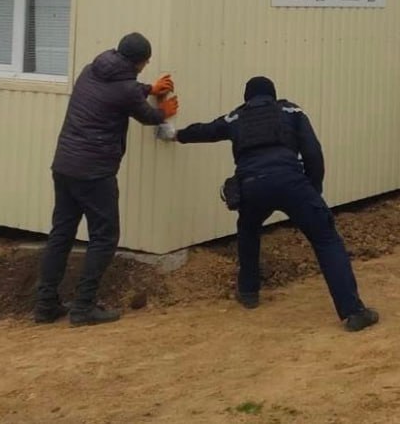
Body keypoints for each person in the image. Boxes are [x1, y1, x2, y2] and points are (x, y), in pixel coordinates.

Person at [158, 76, 379, 332]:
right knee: (326, 240)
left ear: (246, 98)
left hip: (252, 185)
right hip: (292, 183)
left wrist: (174, 135)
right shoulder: (291, 111)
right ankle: (353, 312)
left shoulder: (236, 117)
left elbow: (207, 131)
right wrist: (313, 191)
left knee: (248, 230)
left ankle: (249, 291)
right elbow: (313, 152)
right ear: (273, 95)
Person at [33, 32, 178, 326]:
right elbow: (146, 114)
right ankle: (83, 307)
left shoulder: (91, 70)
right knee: (104, 236)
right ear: (139, 62)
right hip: (94, 172)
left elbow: (122, 89)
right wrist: (164, 110)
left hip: (64, 165)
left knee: (61, 234)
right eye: (145, 63)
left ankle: (45, 304)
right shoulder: (125, 89)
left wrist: (150, 87)